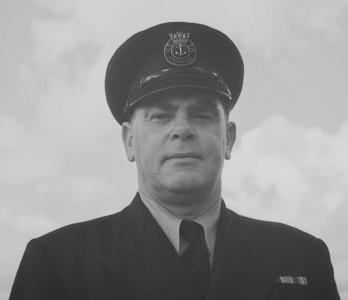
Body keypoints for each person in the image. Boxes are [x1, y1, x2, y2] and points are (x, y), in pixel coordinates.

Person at [10, 22, 340, 300]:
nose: (182, 129)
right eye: (160, 116)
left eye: (201, 114)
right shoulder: (57, 265)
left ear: (229, 138)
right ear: (129, 141)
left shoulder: (302, 258)